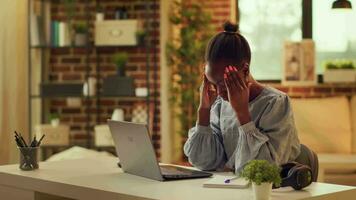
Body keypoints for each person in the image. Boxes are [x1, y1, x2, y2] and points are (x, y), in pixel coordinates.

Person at [183, 21, 301, 175]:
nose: (218, 93)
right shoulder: (220, 105)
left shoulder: (275, 103)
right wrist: (204, 111)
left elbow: (264, 169)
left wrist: (242, 113)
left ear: (245, 70)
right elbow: (205, 162)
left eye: (223, 84)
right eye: (213, 83)